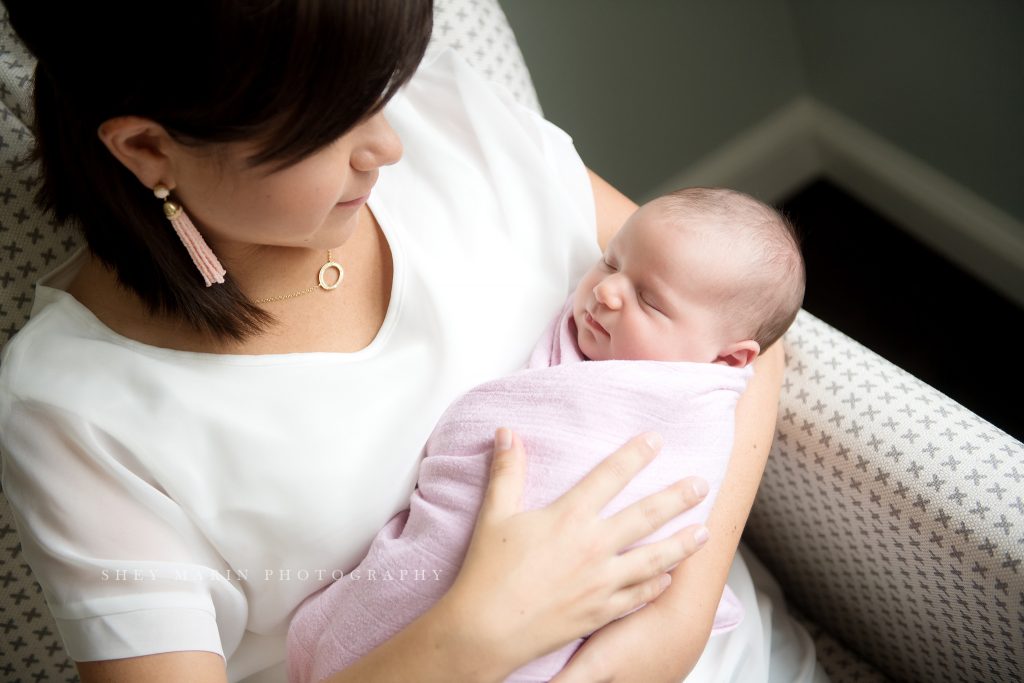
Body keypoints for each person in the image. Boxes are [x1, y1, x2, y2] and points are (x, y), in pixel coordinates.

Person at [0, 2, 817, 682]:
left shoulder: (448, 119)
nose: (389, 144)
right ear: (148, 149)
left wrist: (671, 631)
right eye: (330, 125)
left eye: (380, 92)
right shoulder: (75, 409)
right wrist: (477, 632)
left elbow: (737, 329)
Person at [287, 186, 806, 682]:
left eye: (649, 301)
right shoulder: (589, 333)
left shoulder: (695, 407)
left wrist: (679, 625)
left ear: (729, 359)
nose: (605, 289)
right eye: (610, 260)